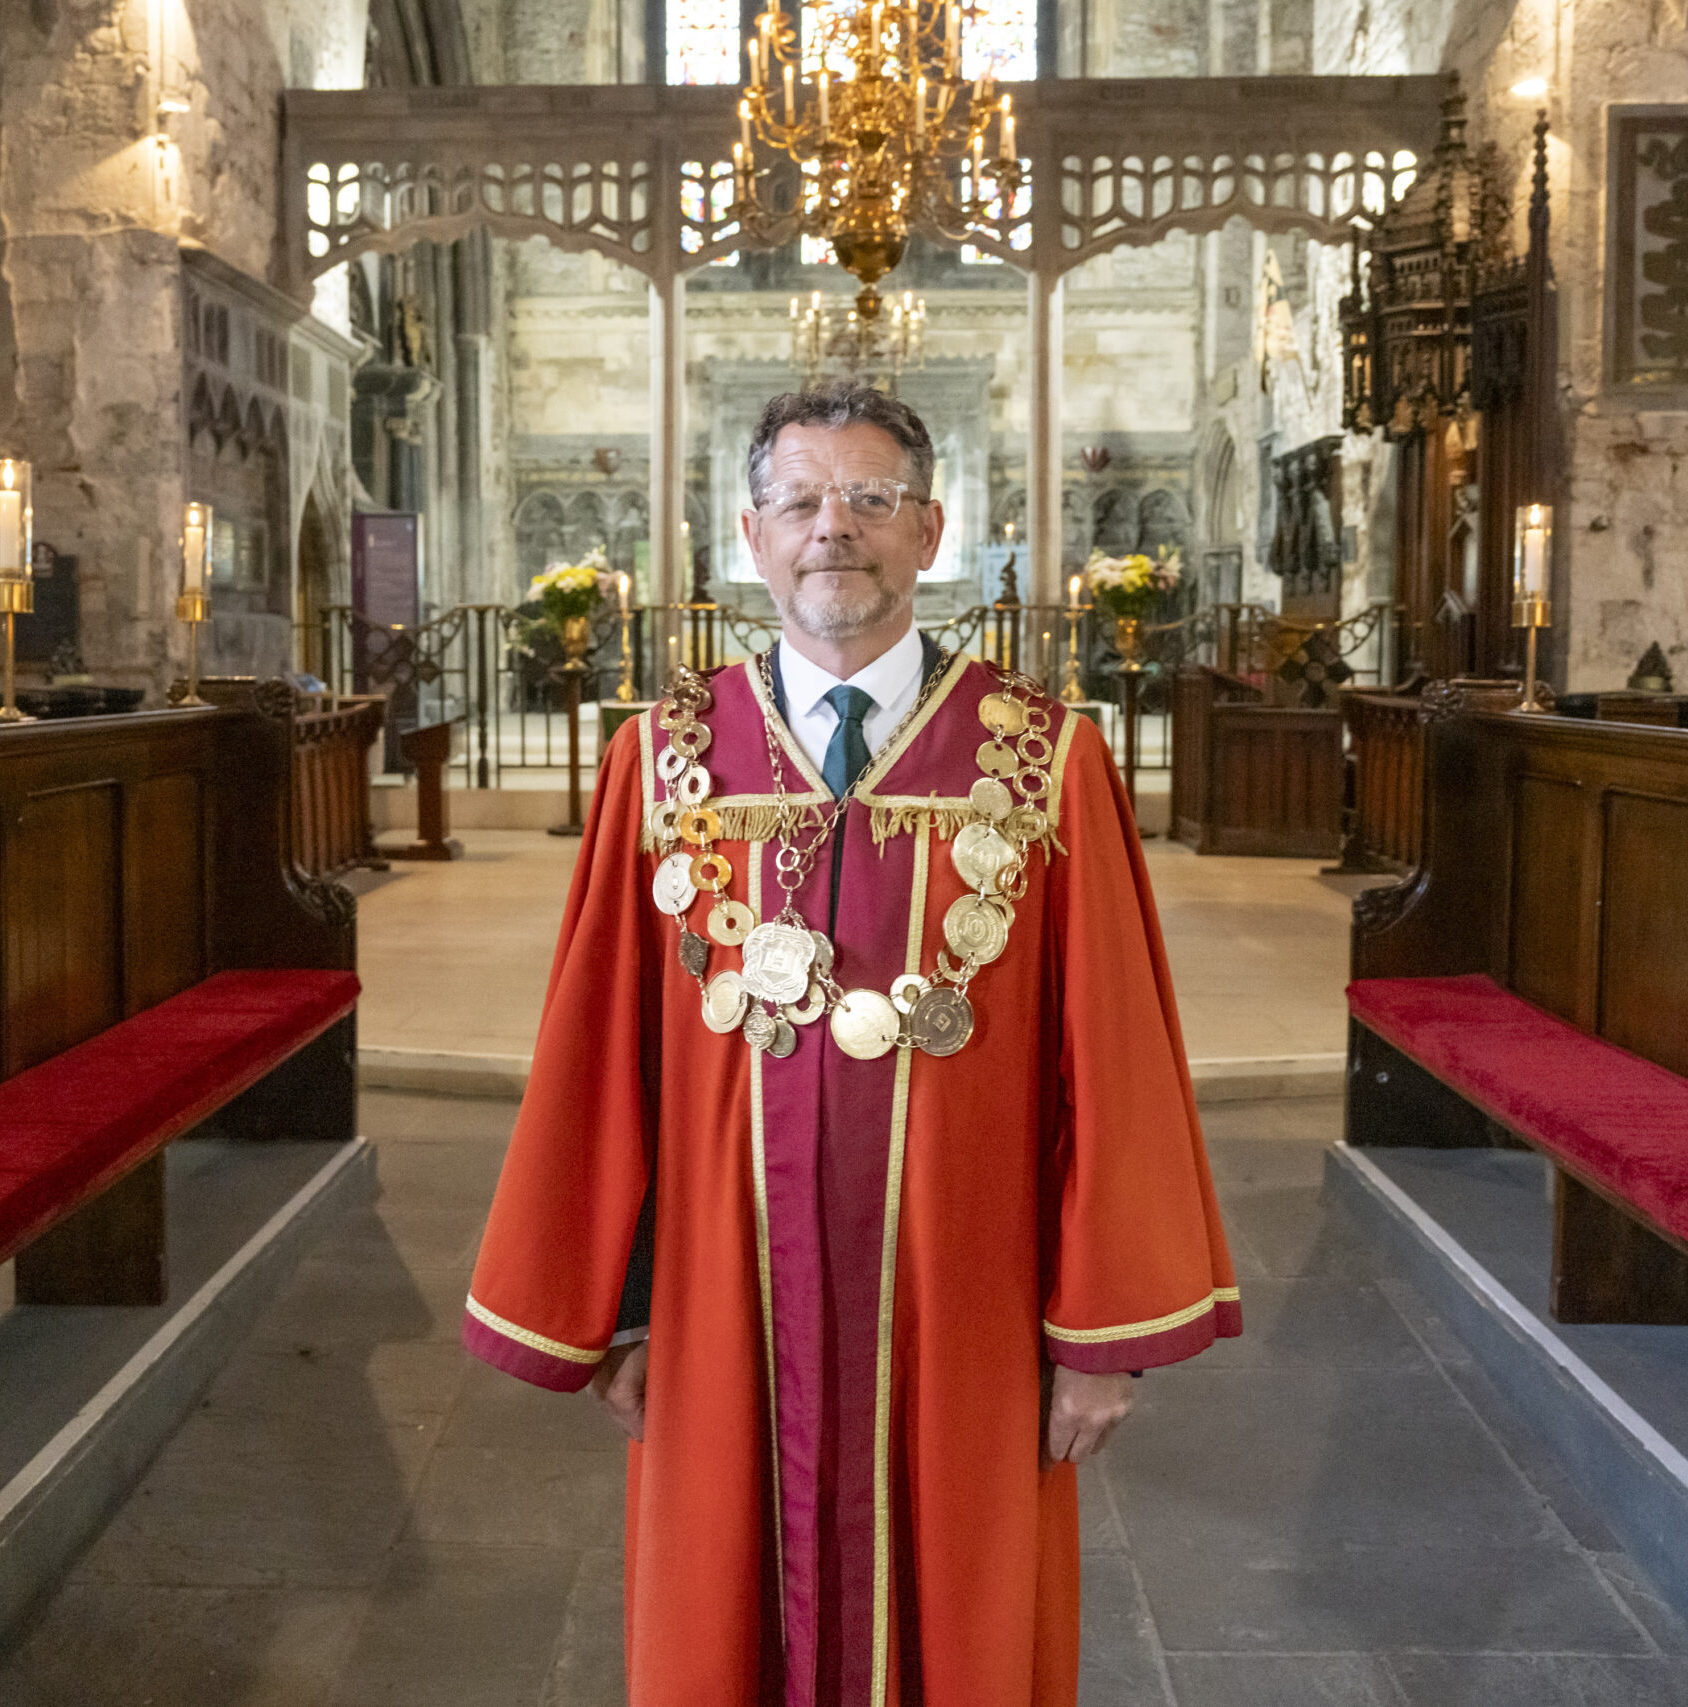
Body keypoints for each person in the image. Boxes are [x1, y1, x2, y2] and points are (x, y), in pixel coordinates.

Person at [462, 379, 1238, 1707]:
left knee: (966, 1608)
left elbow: (1108, 1066)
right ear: (752, 535)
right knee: (726, 1617)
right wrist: (624, 1309)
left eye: (872, 501)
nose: (838, 530)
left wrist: (1099, 1336)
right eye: (803, 501)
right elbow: (608, 1069)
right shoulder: (663, 766)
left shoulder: (1047, 764)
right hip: (720, 1302)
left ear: (930, 532)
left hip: (970, 1308)